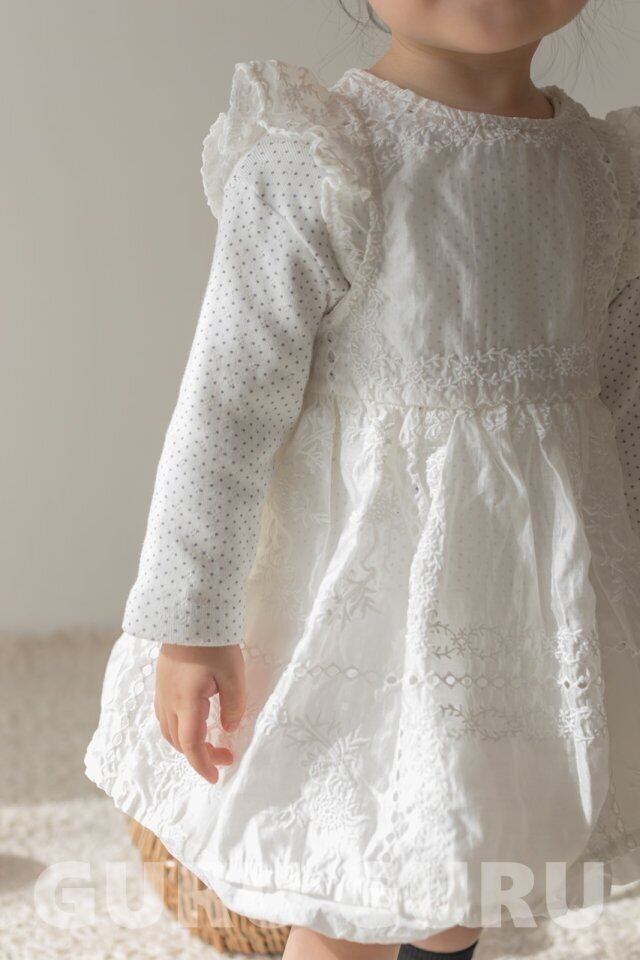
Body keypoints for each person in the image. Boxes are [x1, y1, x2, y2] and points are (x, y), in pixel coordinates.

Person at [84, 1, 640, 957]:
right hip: (358, 608)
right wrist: (190, 620)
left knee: (464, 872)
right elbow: (226, 408)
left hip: (518, 615)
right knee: (351, 887)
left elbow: (621, 396)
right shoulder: (322, 159)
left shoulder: (604, 176)